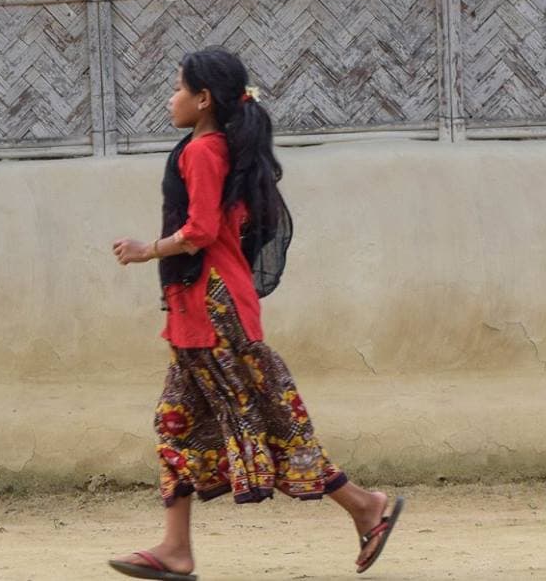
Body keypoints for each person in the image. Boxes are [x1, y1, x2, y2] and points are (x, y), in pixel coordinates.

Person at [107, 48, 402, 579]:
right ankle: (176, 549)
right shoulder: (217, 147)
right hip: (201, 308)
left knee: (270, 418)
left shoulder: (202, 152)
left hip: (212, 310)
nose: (170, 98)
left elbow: (199, 232)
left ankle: (365, 504)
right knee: (175, 422)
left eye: (177, 88)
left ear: (203, 100)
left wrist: (145, 249)